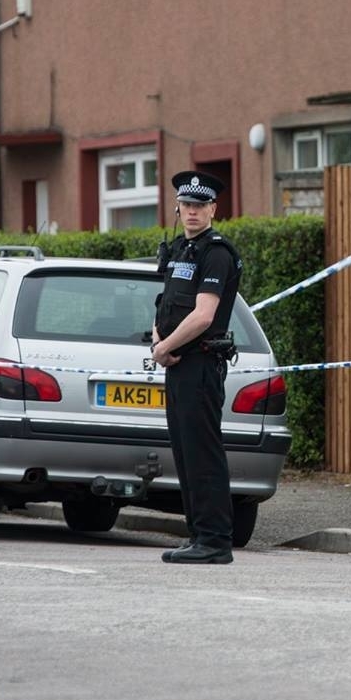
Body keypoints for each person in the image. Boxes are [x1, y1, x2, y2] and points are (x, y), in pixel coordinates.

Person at [150, 170, 243, 564]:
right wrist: (159, 341)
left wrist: (164, 349)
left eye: (200, 205)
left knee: (202, 452)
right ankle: (197, 535)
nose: (192, 212)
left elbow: (204, 316)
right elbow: (166, 302)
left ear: (213, 209)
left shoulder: (216, 252)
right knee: (184, 451)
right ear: (178, 207)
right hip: (177, 362)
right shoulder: (178, 249)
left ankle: (215, 540)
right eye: (187, 205)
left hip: (201, 362)